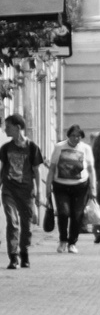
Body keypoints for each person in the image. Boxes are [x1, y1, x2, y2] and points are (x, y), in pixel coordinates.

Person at [1, 115, 39, 268]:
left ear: (18, 127)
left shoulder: (32, 147)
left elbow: (36, 171)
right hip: (9, 189)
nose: (5, 129)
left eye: (8, 126)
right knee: (12, 222)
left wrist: (40, 193)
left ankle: (24, 252)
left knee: (26, 225)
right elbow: (3, 169)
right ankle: (13, 256)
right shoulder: (5, 148)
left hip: (26, 190)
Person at [51, 125, 91, 251]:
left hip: (80, 186)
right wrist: (47, 187)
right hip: (61, 185)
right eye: (73, 135)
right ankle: (63, 240)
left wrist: (93, 188)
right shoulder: (59, 147)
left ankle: (72, 243)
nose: (75, 138)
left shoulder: (86, 148)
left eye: (78, 136)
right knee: (63, 213)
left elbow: (91, 170)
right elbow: (52, 168)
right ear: (68, 136)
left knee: (77, 215)